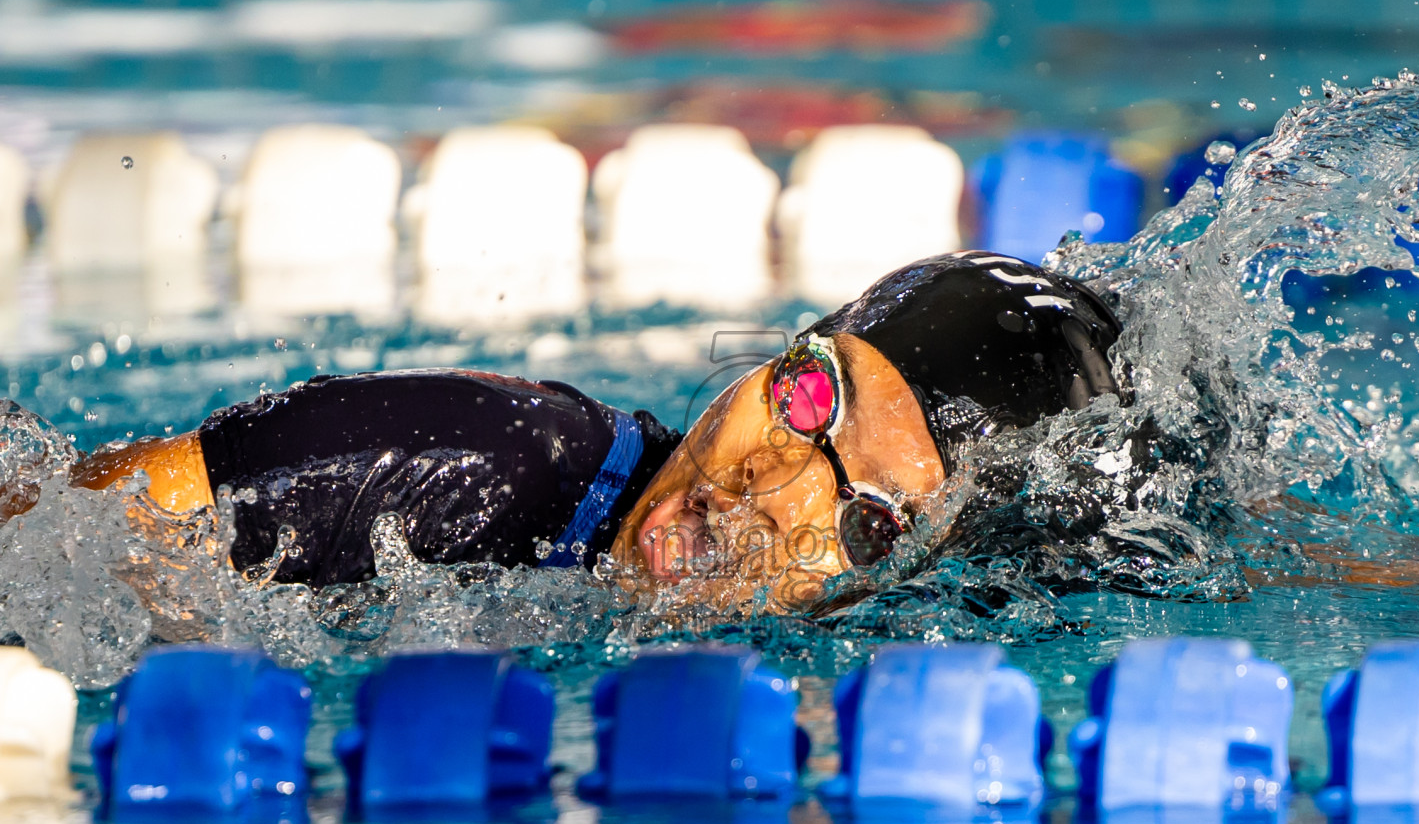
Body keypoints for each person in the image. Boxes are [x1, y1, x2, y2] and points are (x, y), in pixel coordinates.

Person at [34, 251, 1126, 610]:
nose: (765, 489)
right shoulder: (461, 457)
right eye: (807, 397)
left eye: (871, 526)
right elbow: (46, 538)